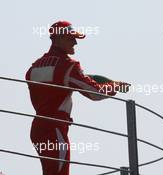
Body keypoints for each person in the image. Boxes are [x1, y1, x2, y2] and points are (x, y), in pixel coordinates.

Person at [25, 21, 130, 175]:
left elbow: (70, 80)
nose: (75, 42)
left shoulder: (34, 68)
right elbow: (95, 93)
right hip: (56, 129)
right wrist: (115, 86)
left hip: (38, 129)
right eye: (71, 38)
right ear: (59, 38)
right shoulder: (68, 66)